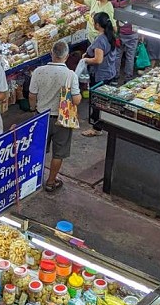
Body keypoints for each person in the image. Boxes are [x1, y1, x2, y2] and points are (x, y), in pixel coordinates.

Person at [27, 41, 81, 193]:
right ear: (66, 56)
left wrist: (33, 109)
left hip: (41, 116)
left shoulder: (38, 71)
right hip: (61, 120)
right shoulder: (70, 75)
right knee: (59, 152)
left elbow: (32, 95)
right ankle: (51, 182)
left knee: (38, 149)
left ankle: (33, 179)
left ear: (51, 54)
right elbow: (76, 100)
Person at [81, 13, 121, 138]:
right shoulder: (111, 36)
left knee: (97, 102)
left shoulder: (100, 40)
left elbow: (98, 60)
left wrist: (85, 60)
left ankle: (96, 128)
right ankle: (103, 122)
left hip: (100, 75)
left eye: (93, 22)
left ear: (97, 25)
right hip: (110, 72)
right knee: (104, 100)